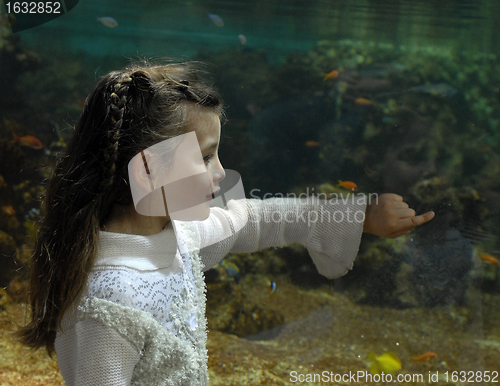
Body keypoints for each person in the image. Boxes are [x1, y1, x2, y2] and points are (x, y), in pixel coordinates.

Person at [17, 61, 434, 385]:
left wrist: (359, 215)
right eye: (205, 156)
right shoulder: (106, 309)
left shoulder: (177, 234)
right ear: (147, 172)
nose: (221, 174)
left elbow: (256, 218)